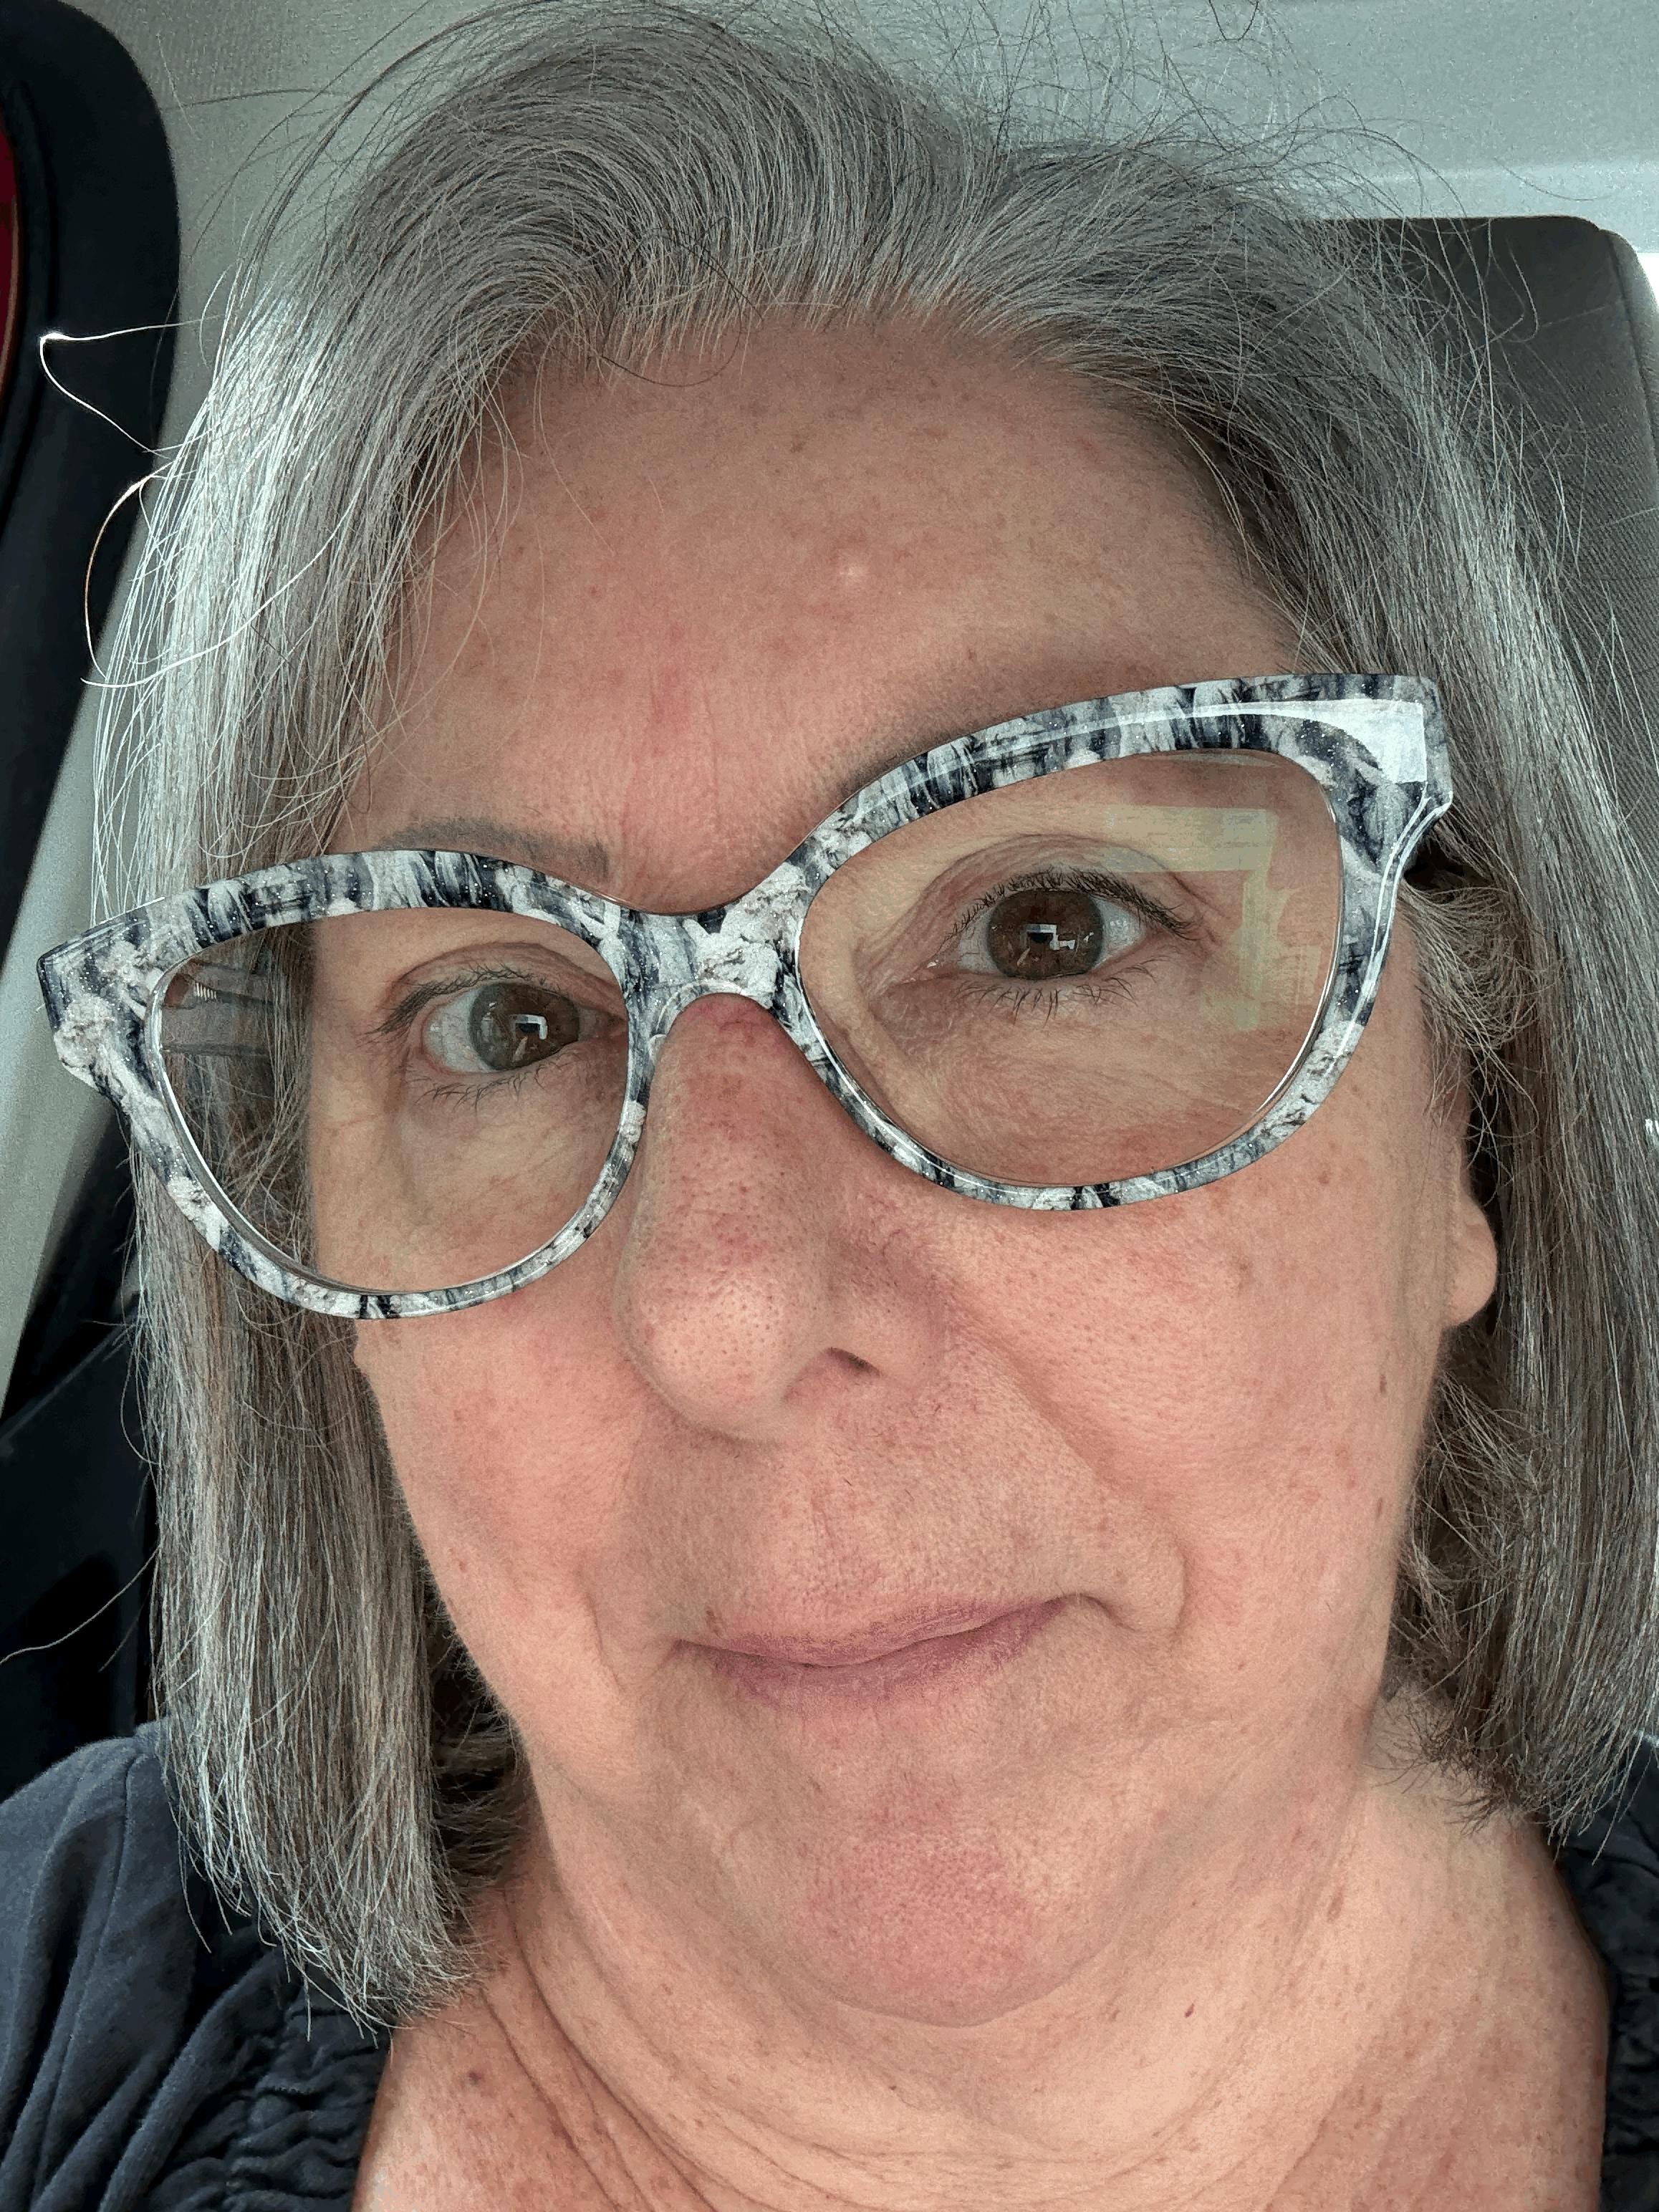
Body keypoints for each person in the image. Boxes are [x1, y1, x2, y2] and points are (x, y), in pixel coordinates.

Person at [6, 3, 1659, 2206]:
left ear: (1467, 1105)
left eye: (1047, 931)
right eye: (501, 1024)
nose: (726, 1313)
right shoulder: (47, 1998)